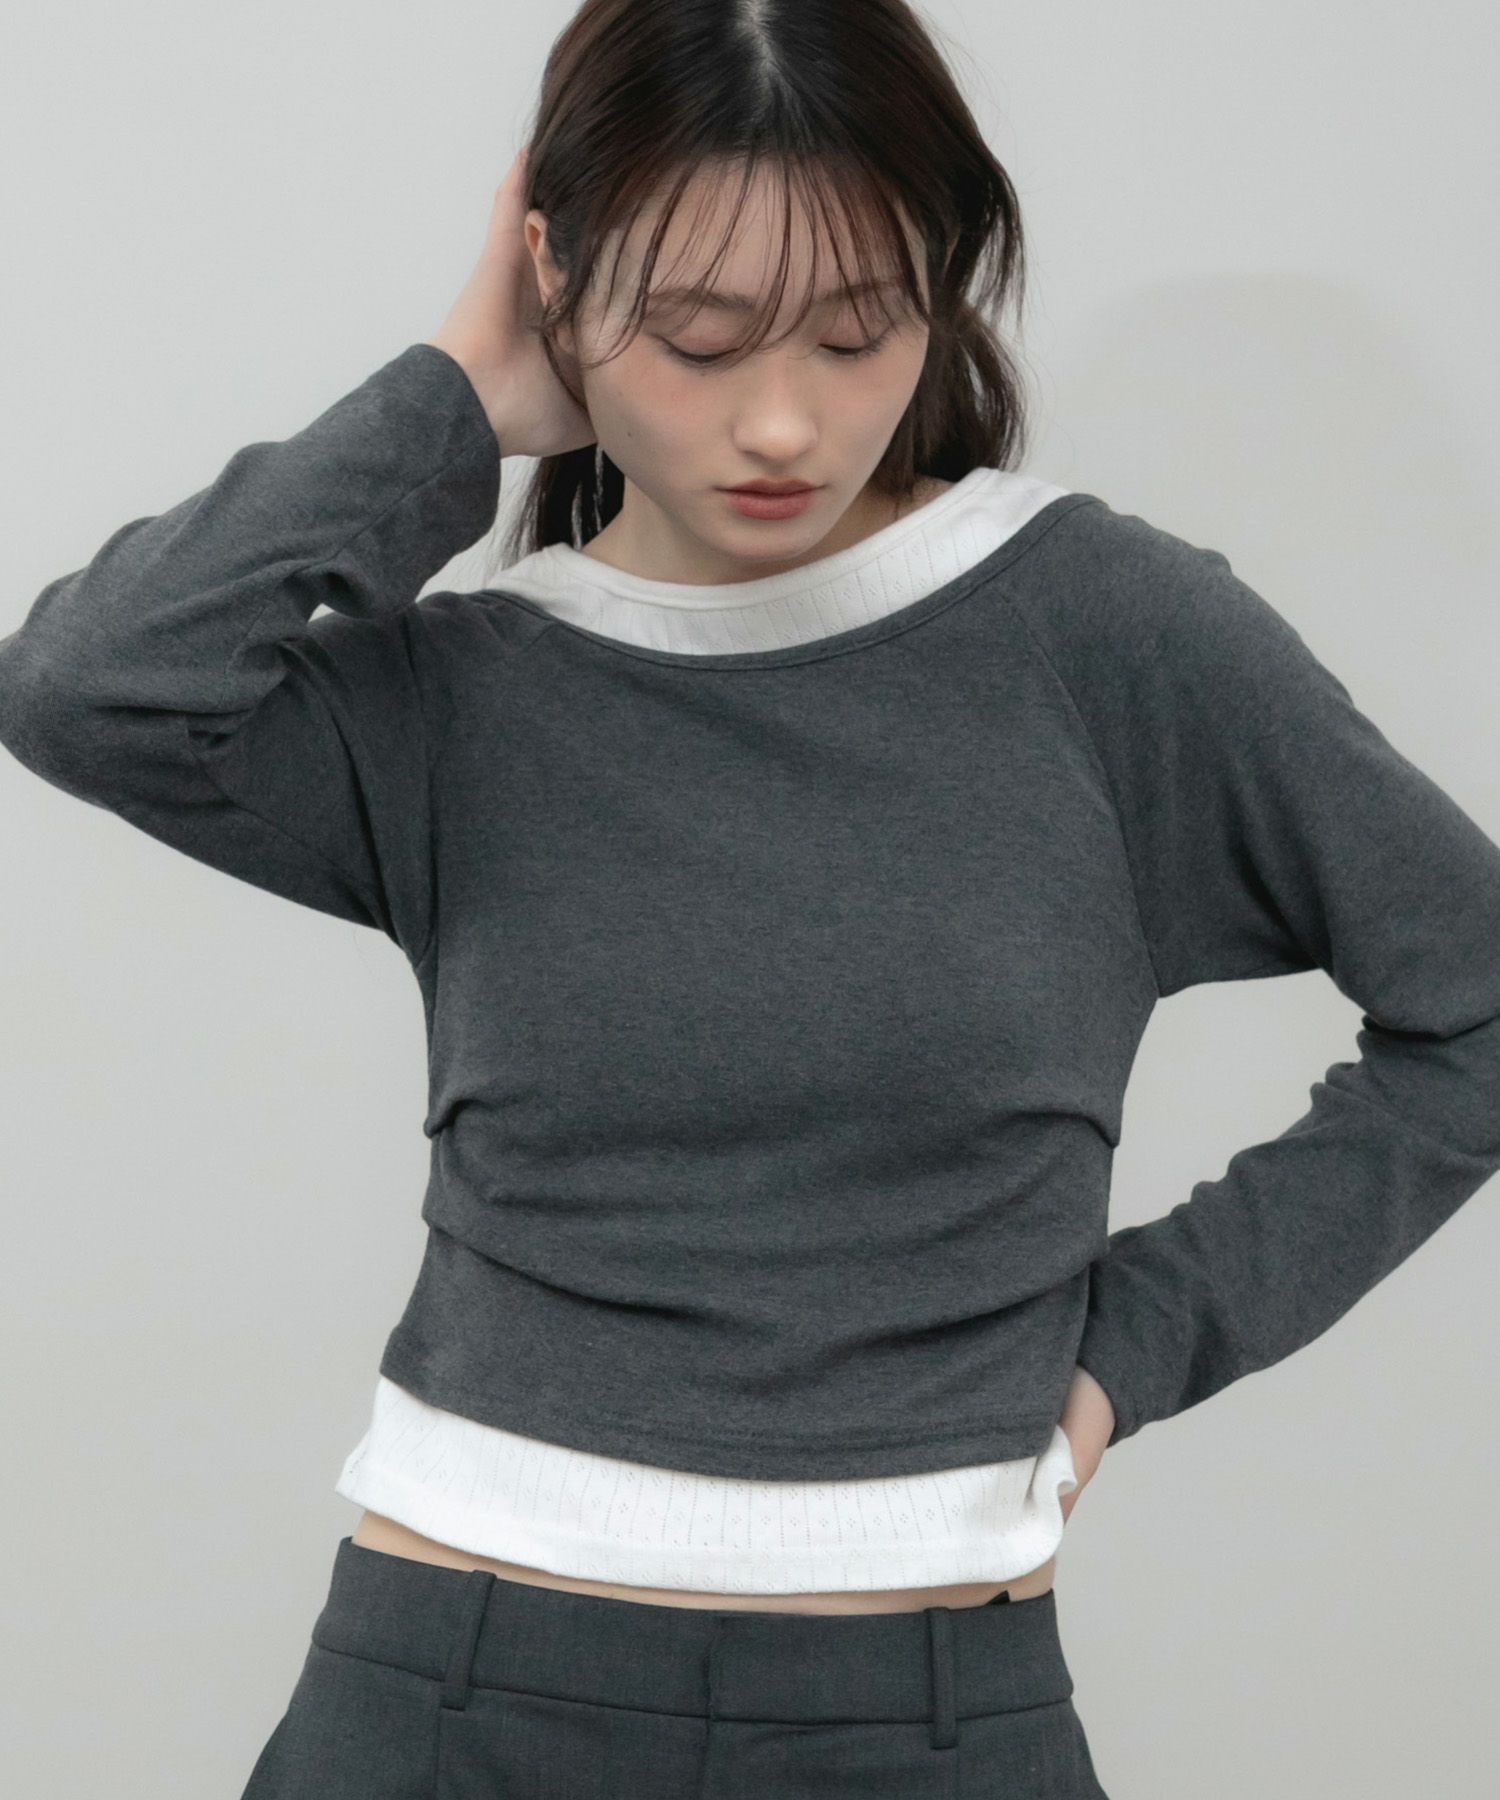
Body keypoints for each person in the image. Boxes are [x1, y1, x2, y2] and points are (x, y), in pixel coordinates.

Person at [5, 3, 1500, 1796]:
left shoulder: (1102, 636)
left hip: (928, 1709)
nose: (783, 421)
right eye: (696, 340)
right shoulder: (473, 694)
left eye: (859, 333)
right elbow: (85, 687)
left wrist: (1134, 1348)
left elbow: (1476, 1001)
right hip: (446, 1690)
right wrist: (456, 399)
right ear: (556, 279)